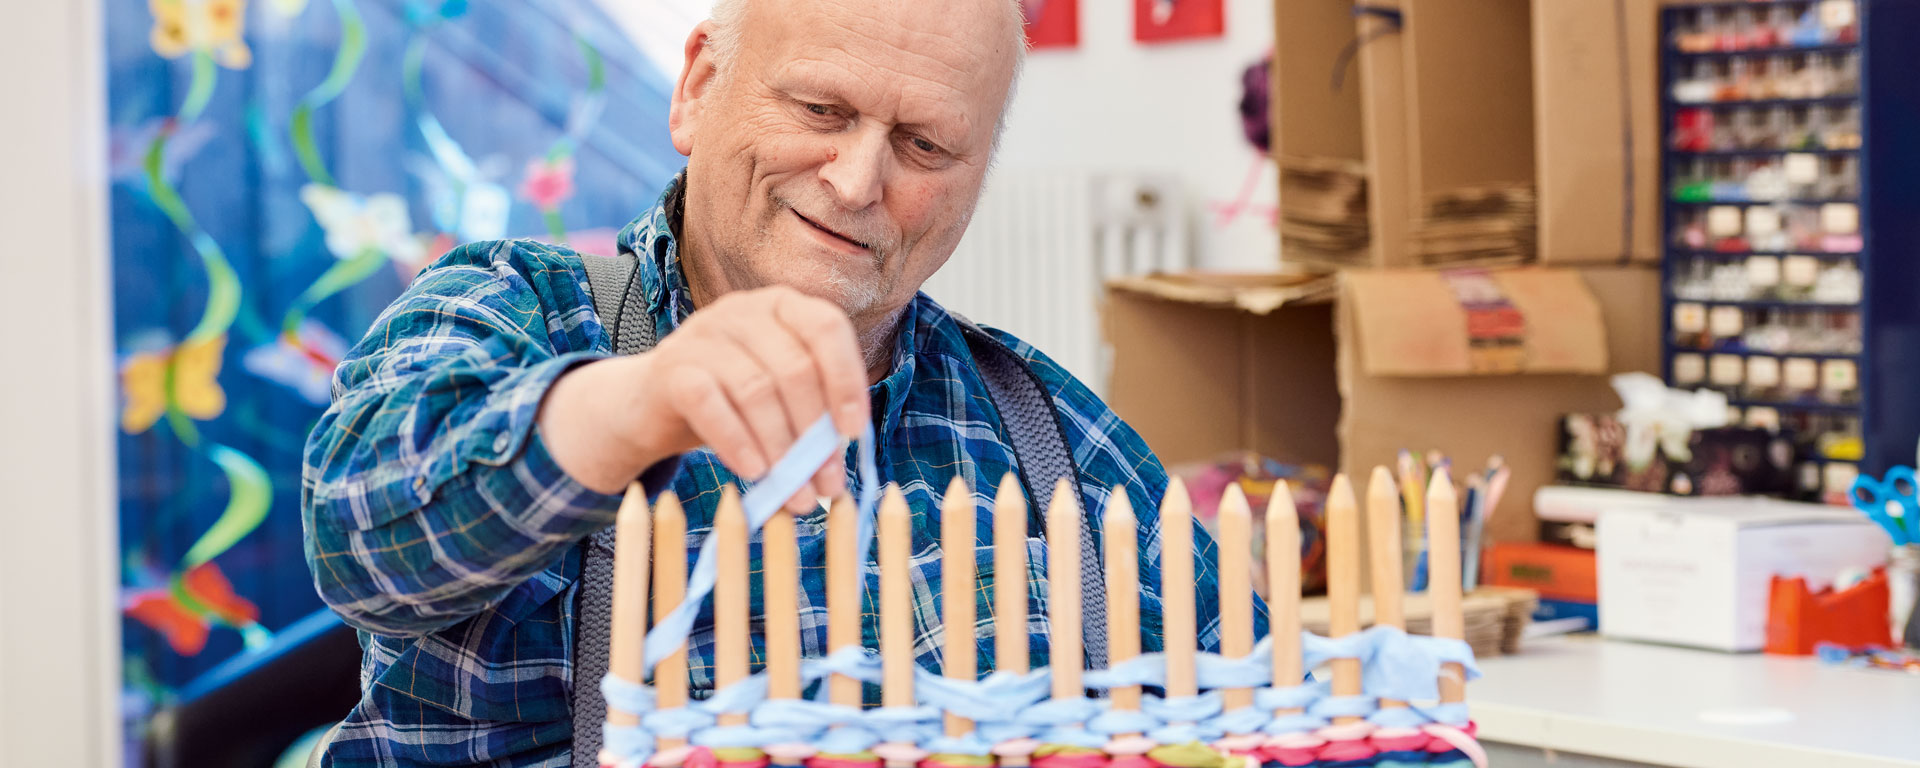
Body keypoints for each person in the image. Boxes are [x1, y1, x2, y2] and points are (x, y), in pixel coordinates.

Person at [302, 0, 1262, 765]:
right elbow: (358, 539)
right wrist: (638, 407)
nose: (855, 180)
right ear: (698, 87)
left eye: (925, 145)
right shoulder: (517, 311)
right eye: (820, 111)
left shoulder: (1052, 442)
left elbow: (1267, 712)